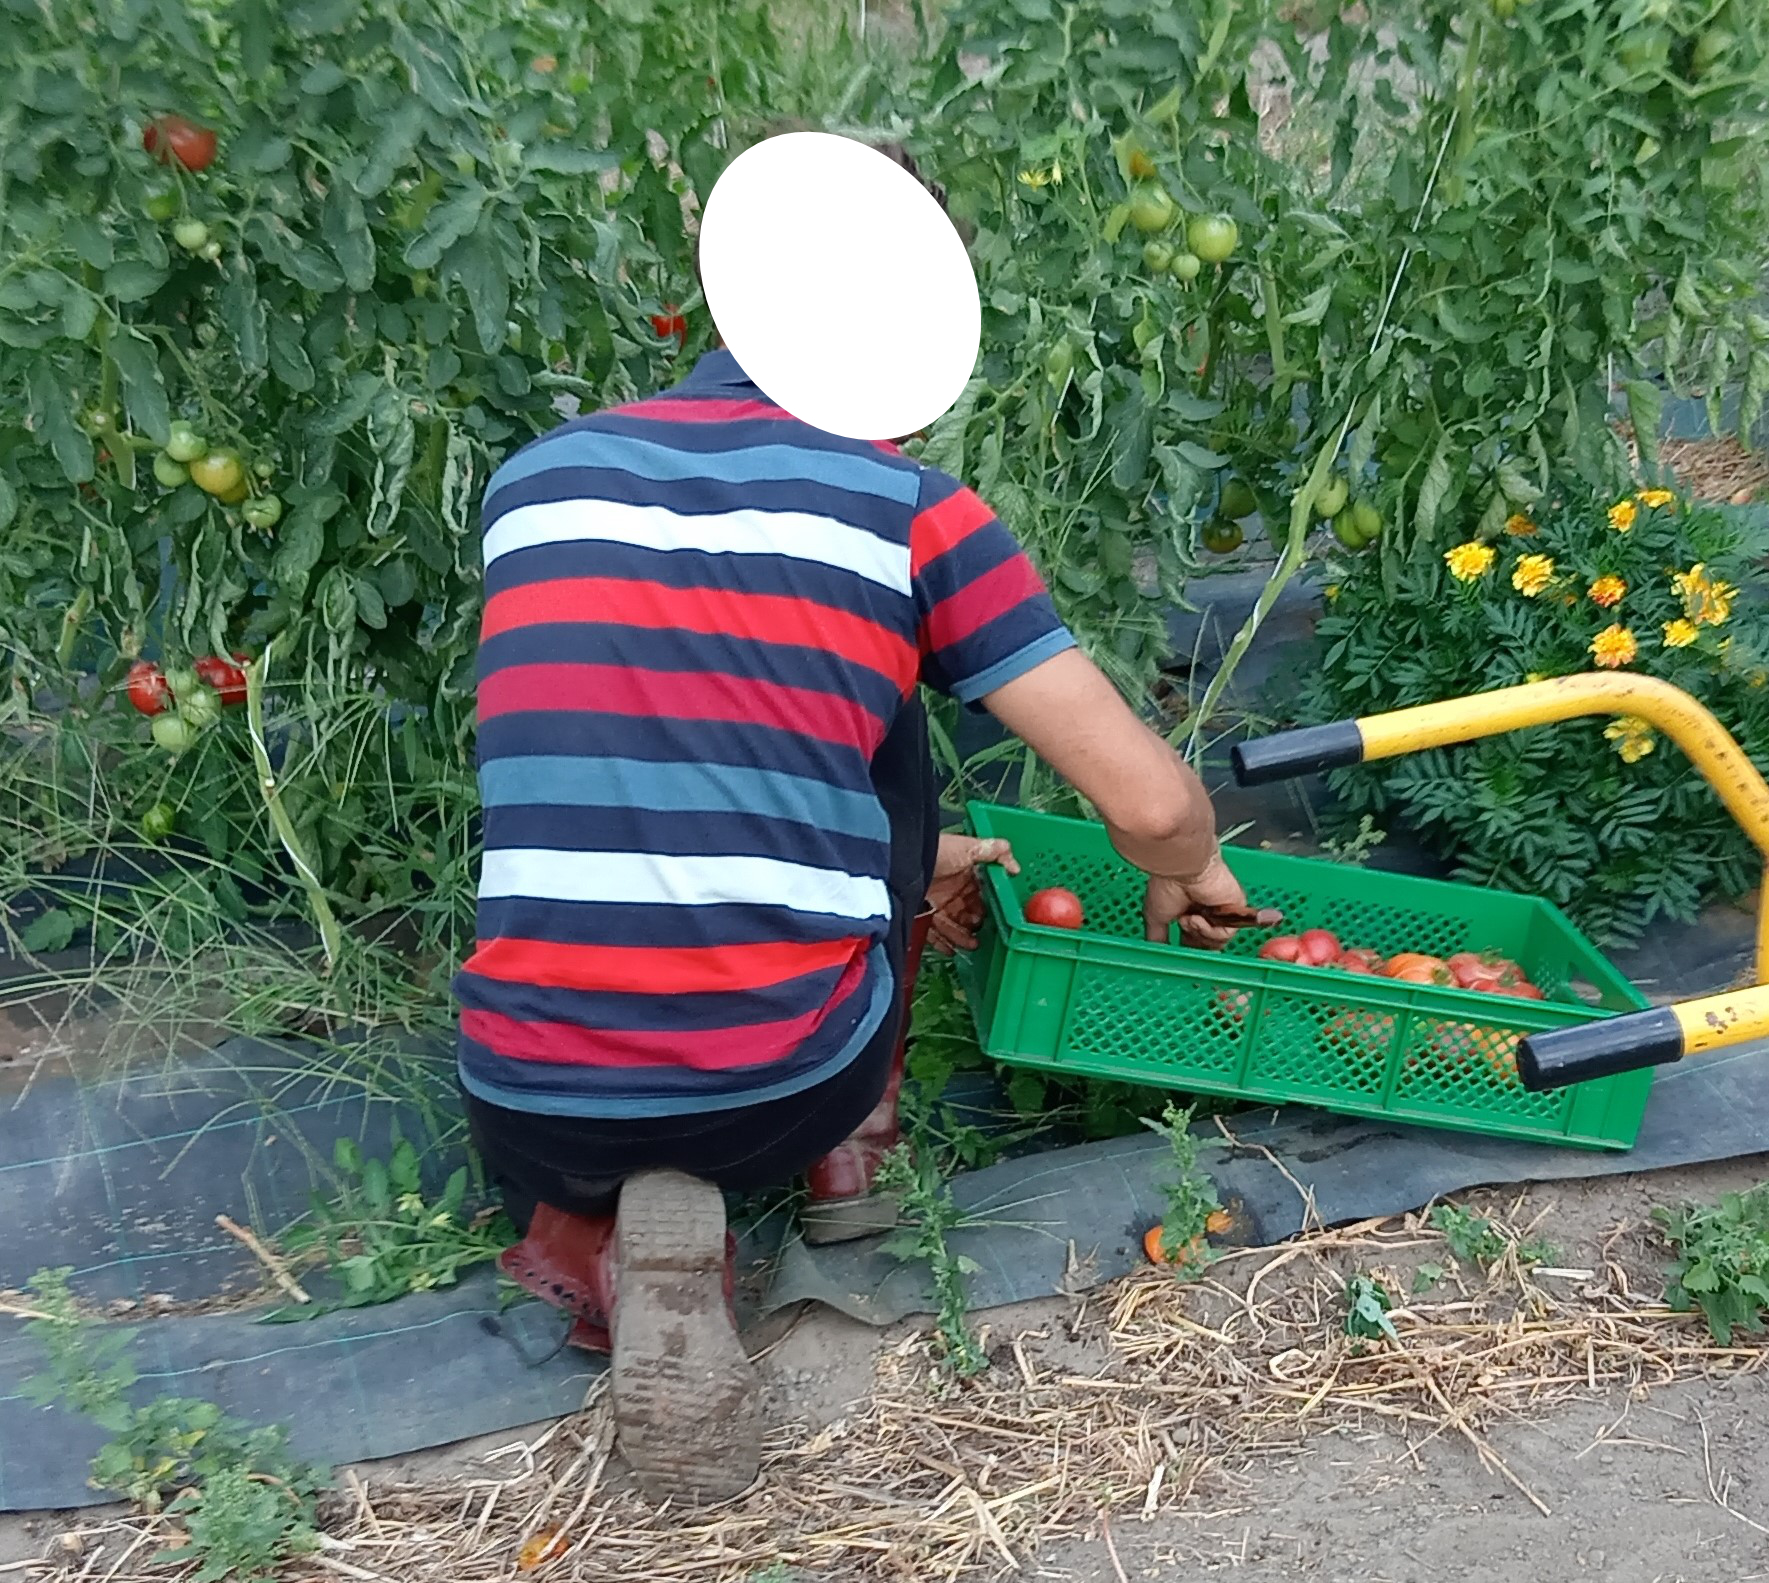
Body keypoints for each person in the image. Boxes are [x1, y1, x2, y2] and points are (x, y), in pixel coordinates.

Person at [454, 141, 1248, 1505]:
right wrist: (1196, 867)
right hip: (776, 1078)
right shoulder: (910, 510)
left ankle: (606, 1209)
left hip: (521, 1100)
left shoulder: (537, 479)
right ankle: (837, 1166)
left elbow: (663, 712)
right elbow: (1153, 801)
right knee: (897, 726)